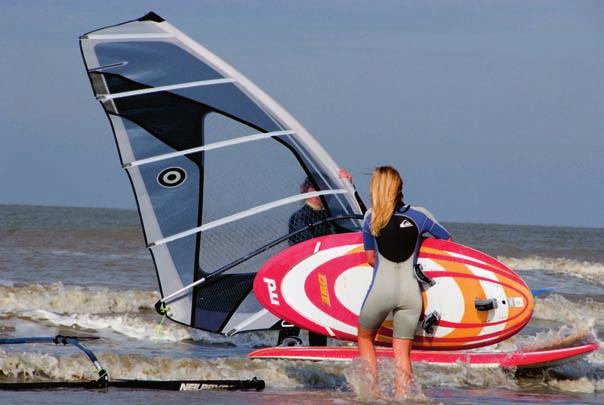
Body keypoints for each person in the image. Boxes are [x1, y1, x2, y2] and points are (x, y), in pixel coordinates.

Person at [357, 166, 451, 397]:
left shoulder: (371, 217)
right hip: (411, 294)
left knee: (365, 337)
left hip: (381, 290)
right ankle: (404, 397)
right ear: (400, 188)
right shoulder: (420, 215)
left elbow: (370, 258)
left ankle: (372, 394)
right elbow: (447, 241)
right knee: (402, 353)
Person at [278, 169, 364, 346]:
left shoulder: (333, 216)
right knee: (295, 315)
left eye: (326, 188)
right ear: (309, 190)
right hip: (300, 275)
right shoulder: (299, 217)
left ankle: (318, 352)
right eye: (318, 188)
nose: (322, 192)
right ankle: (284, 346)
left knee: (319, 319)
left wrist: (348, 186)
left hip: (324, 275)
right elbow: (301, 246)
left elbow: (357, 216)